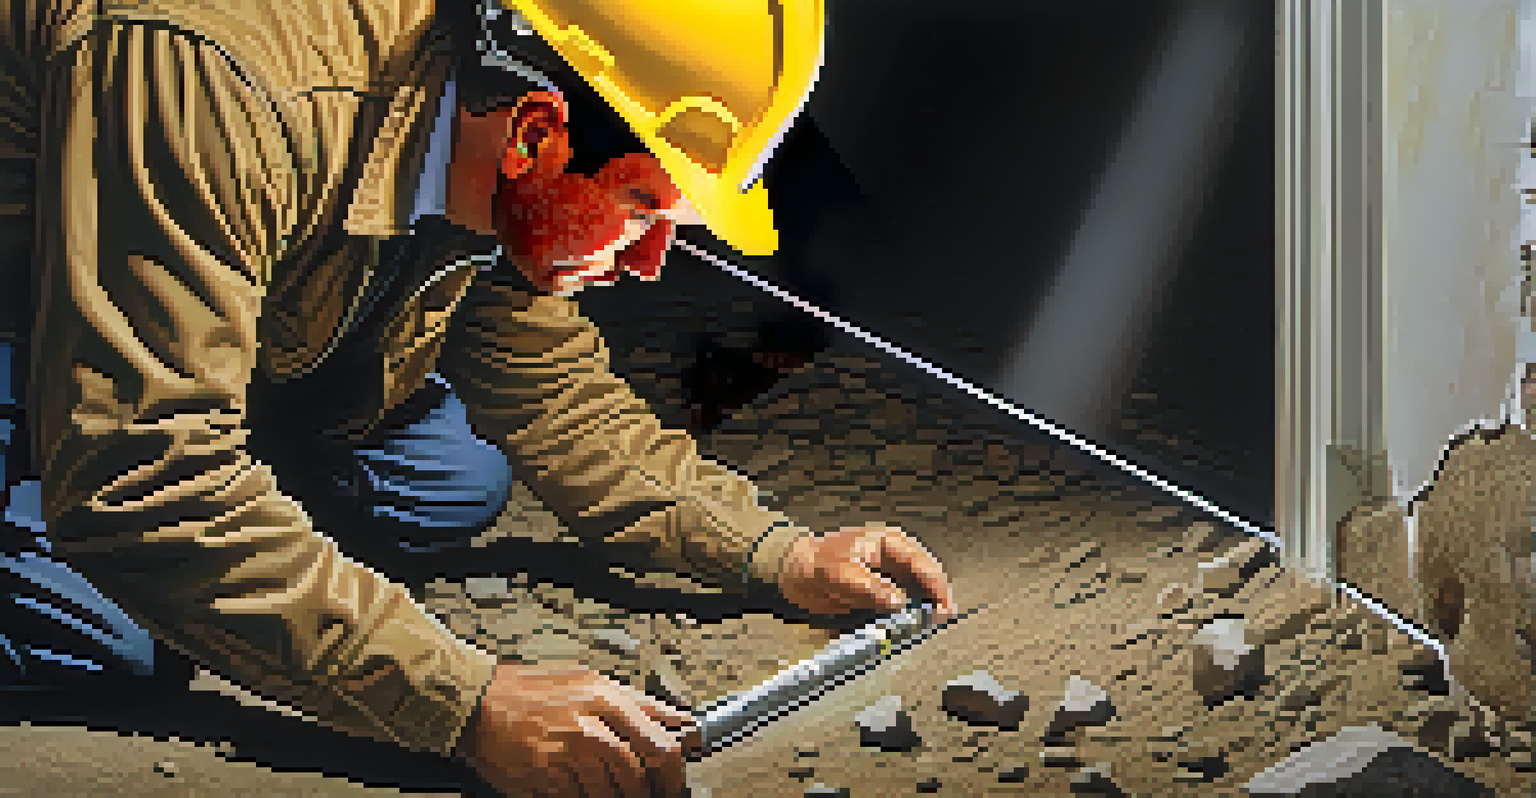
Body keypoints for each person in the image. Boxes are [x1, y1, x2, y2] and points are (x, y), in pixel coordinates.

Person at [0, 1, 956, 796]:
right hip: (35, 329)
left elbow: (553, 392)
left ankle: (238, 533)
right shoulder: (208, 74)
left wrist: (778, 552)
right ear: (536, 133)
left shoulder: (481, 113)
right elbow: (140, 466)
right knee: (113, 625)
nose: (655, 258)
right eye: (642, 208)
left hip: (195, 302)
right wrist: (468, 701)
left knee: (454, 473)